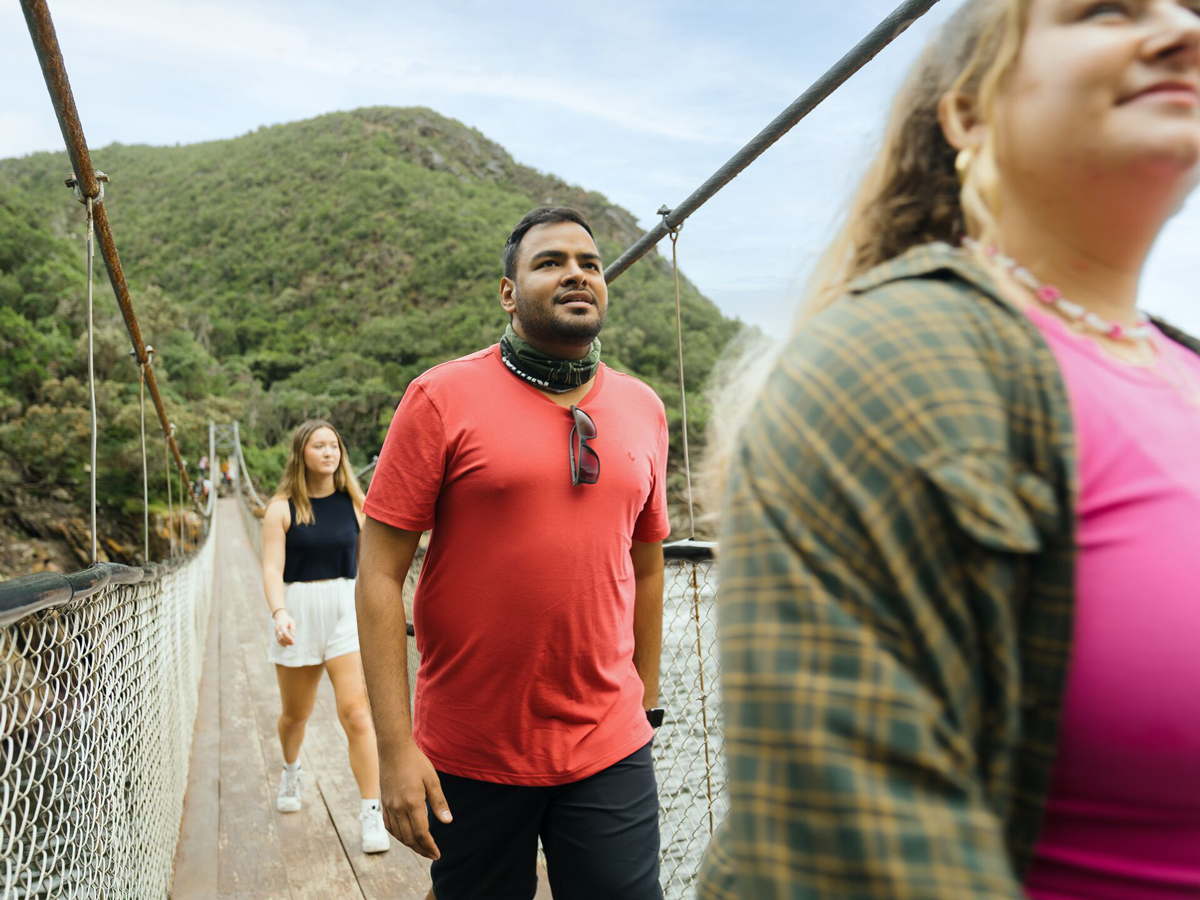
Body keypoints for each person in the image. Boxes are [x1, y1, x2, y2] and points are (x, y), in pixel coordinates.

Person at [699, 1, 1200, 898]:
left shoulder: (1182, 365)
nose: (1183, 30)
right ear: (968, 112)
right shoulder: (892, 362)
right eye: (1108, 7)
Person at [356, 206, 672, 900]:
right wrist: (394, 748)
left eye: (589, 264)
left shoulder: (645, 408)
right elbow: (377, 574)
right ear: (508, 292)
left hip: (610, 744)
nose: (576, 274)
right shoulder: (439, 397)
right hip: (473, 748)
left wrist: (644, 705)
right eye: (550, 262)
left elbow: (647, 566)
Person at [261, 419, 390, 854]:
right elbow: (271, 569)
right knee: (295, 715)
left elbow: (374, 564)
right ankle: (291, 770)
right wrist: (279, 612)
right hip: (297, 614)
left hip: (344, 613)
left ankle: (371, 812)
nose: (329, 452)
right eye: (319, 446)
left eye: (333, 445)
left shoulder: (356, 502)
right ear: (302, 453)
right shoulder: (281, 508)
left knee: (356, 713)